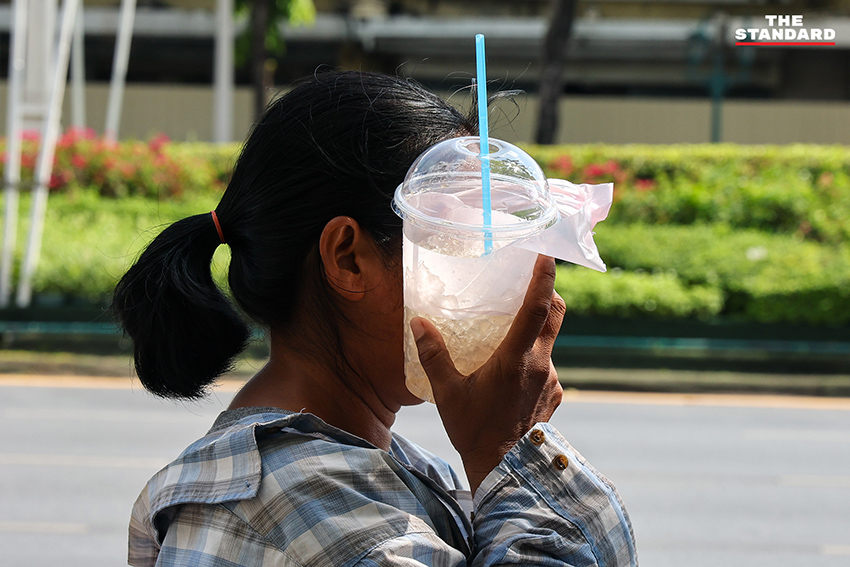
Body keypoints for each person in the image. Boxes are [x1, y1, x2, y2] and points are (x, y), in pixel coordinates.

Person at [114, 70, 637, 567]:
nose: (490, 273)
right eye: (450, 238)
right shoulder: (295, 508)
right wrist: (506, 450)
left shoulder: (400, 470)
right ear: (349, 258)